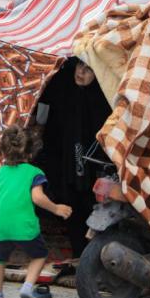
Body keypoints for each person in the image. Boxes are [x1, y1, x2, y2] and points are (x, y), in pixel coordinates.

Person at [0, 125, 72, 298]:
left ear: (3, 151)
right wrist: (56, 208)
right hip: (24, 227)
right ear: (30, 151)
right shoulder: (34, 173)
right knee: (39, 255)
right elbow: (37, 197)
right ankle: (27, 287)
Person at [35, 58, 112, 257]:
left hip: (95, 163)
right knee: (71, 203)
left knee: (93, 205)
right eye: (79, 66)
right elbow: (47, 119)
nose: (81, 72)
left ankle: (94, 256)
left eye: (88, 69)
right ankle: (79, 253)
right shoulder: (63, 89)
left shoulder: (103, 97)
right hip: (66, 159)